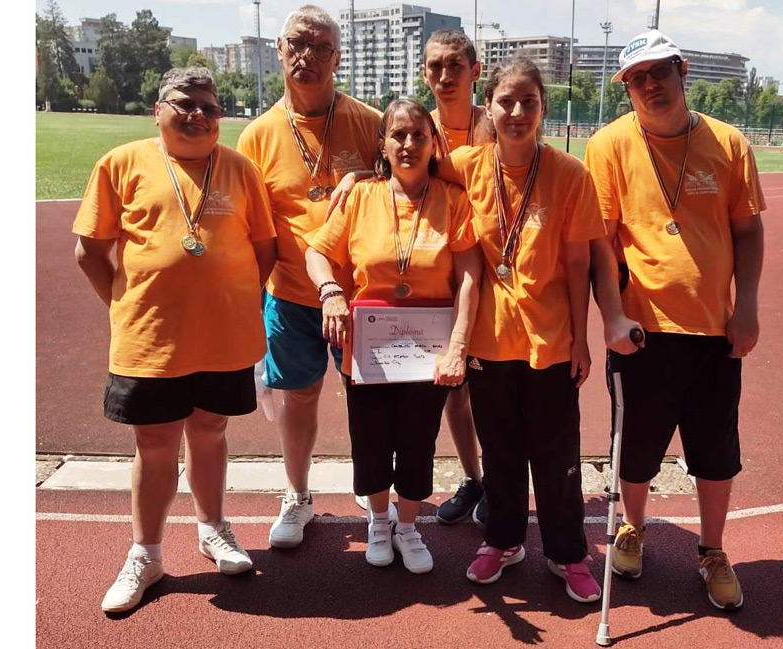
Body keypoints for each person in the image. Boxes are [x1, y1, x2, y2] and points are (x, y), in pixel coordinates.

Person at [73, 67, 277, 613]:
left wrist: (231, 296)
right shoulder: (122, 163)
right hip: (150, 338)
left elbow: (265, 248)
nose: (198, 115)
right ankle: (147, 554)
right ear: (157, 110)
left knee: (210, 431)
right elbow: (90, 251)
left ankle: (213, 529)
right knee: (156, 442)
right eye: (184, 104)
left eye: (209, 107)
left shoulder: (240, 169)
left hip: (224, 337)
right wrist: (124, 305)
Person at [585, 30, 766, 611]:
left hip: (714, 329)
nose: (650, 85)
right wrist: (612, 316)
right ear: (627, 88)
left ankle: (712, 550)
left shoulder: (729, 142)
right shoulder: (608, 145)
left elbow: (747, 229)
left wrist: (747, 306)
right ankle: (633, 528)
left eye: (659, 71)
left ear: (682, 70)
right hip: (642, 331)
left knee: (715, 450)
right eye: (636, 78)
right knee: (636, 448)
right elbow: (602, 243)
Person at [442, 58, 606, 603]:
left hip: (551, 340)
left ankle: (567, 552)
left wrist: (581, 338)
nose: (516, 112)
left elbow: (579, 262)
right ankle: (503, 540)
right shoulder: (465, 165)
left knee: (557, 456)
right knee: (501, 451)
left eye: (528, 102)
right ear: (487, 107)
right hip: (489, 341)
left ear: (542, 107)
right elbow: (403, 166)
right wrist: (354, 179)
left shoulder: (569, 174)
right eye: (506, 101)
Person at [305, 99, 481, 573]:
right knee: (371, 441)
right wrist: (331, 293)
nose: (408, 144)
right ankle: (379, 521)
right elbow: (316, 253)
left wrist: (459, 346)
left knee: (419, 442)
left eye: (418, 135)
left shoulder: (453, 200)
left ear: (434, 143)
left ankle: (408, 526)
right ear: (382, 144)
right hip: (369, 350)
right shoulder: (361, 197)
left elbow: (469, 276)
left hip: (429, 352)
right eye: (398, 135)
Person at [236, 5, 382, 550]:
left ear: (338, 58)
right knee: (298, 397)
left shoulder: (369, 122)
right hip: (290, 294)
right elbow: (250, 225)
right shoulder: (257, 136)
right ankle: (298, 495)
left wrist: (364, 174)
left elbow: (405, 181)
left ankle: (374, 488)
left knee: (368, 399)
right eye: (298, 43)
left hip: (360, 294)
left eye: (322, 48)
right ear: (279, 48)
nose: (308, 57)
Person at [419, 28, 494, 527]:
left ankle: (502, 478)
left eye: (455, 65)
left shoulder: (497, 124)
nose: (445, 76)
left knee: (493, 388)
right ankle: (474, 478)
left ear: (475, 71)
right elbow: (387, 170)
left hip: (497, 274)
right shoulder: (418, 126)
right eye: (435, 66)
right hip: (441, 275)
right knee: (453, 387)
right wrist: (354, 177)